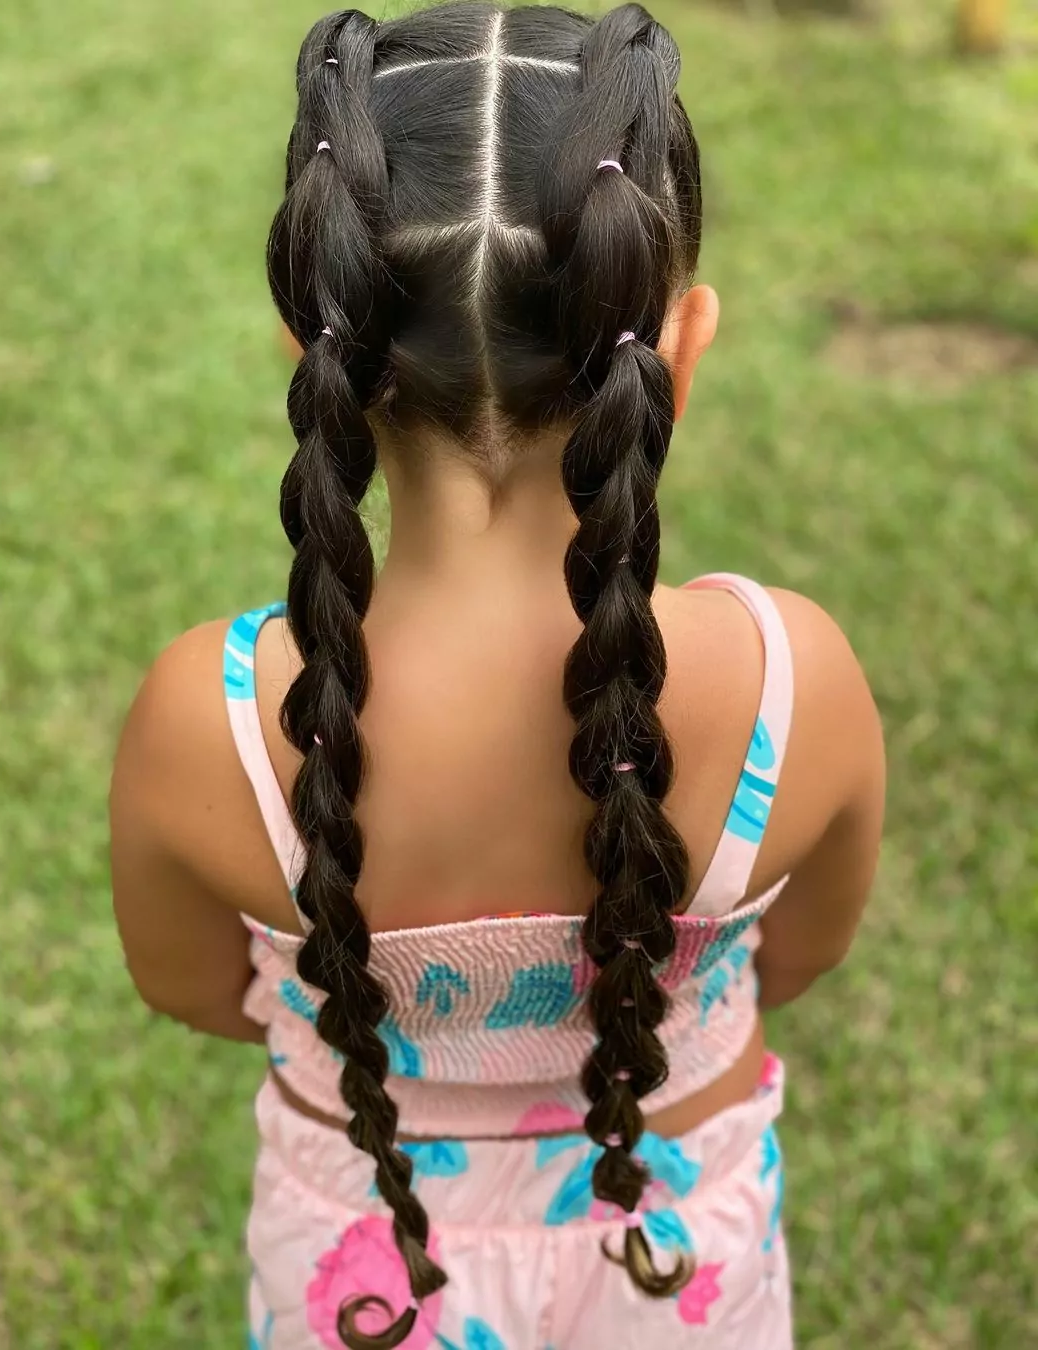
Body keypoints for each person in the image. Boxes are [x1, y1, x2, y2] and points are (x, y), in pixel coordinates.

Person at [109, 5, 885, 1348]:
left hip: (362, 1257)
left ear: (316, 365)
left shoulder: (211, 720)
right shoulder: (791, 679)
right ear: (681, 351)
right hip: (674, 1251)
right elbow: (801, 955)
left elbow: (191, 986)